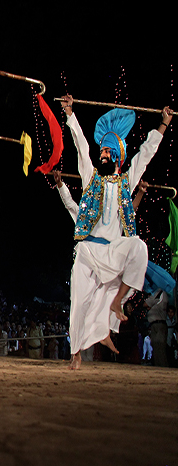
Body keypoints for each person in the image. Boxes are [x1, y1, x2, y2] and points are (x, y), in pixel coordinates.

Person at [61, 94, 171, 369]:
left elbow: (145, 155)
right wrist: (70, 114)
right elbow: (81, 146)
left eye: (108, 152)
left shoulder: (126, 182)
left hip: (112, 250)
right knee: (80, 302)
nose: (103, 155)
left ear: (118, 155)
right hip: (88, 250)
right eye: (102, 152)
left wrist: (164, 124)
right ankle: (75, 354)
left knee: (138, 247)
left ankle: (117, 303)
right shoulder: (91, 178)